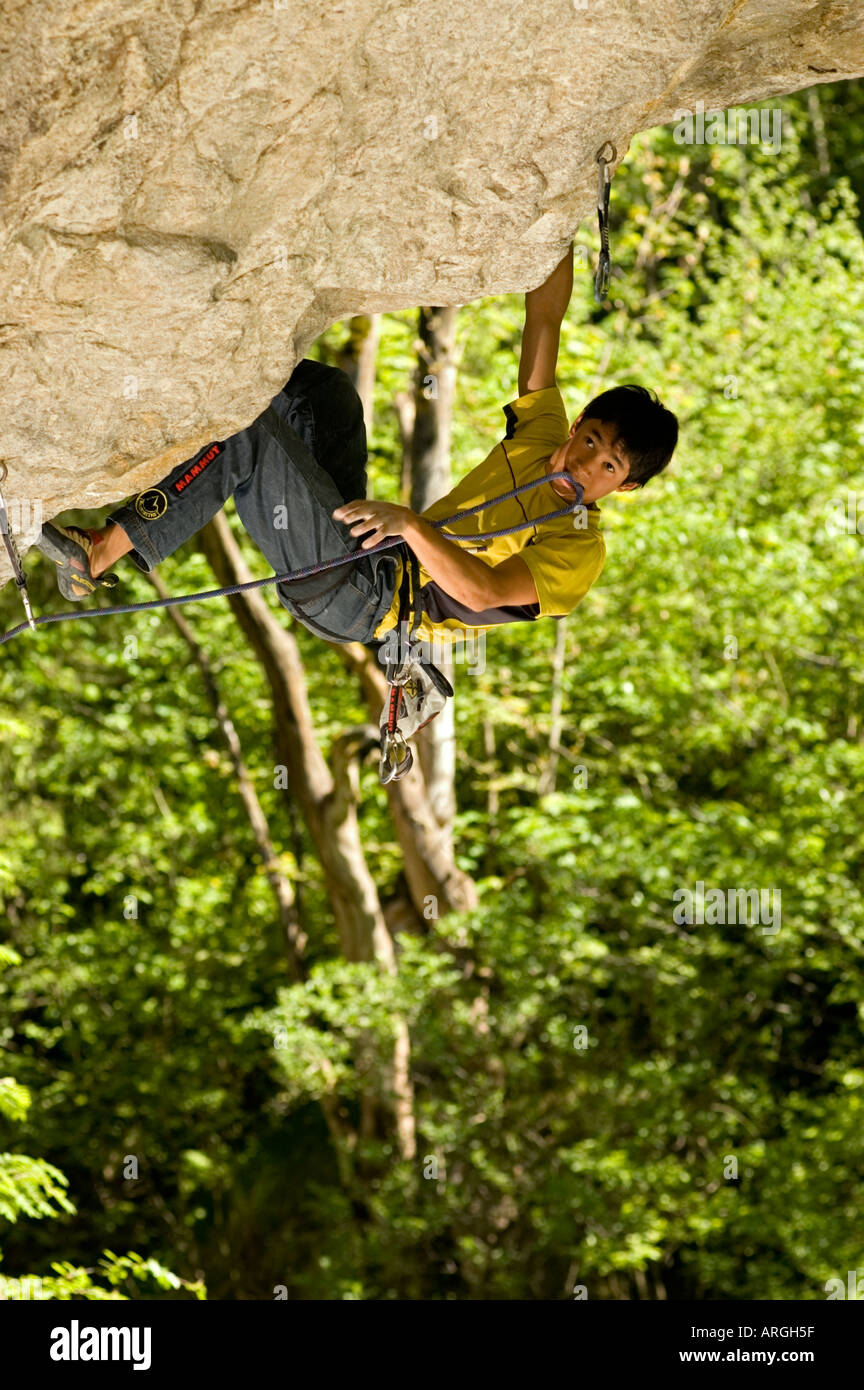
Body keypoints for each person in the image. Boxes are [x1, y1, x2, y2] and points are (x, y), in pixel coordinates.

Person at [35, 244, 678, 654]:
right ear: (577, 427)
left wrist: (411, 526)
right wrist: (563, 215)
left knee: (253, 433)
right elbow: (545, 319)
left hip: (367, 600)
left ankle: (99, 553)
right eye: (590, 439)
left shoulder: (579, 549)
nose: (588, 462)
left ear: (624, 487)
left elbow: (483, 592)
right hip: (365, 548)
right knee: (325, 395)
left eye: (609, 465)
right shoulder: (542, 437)